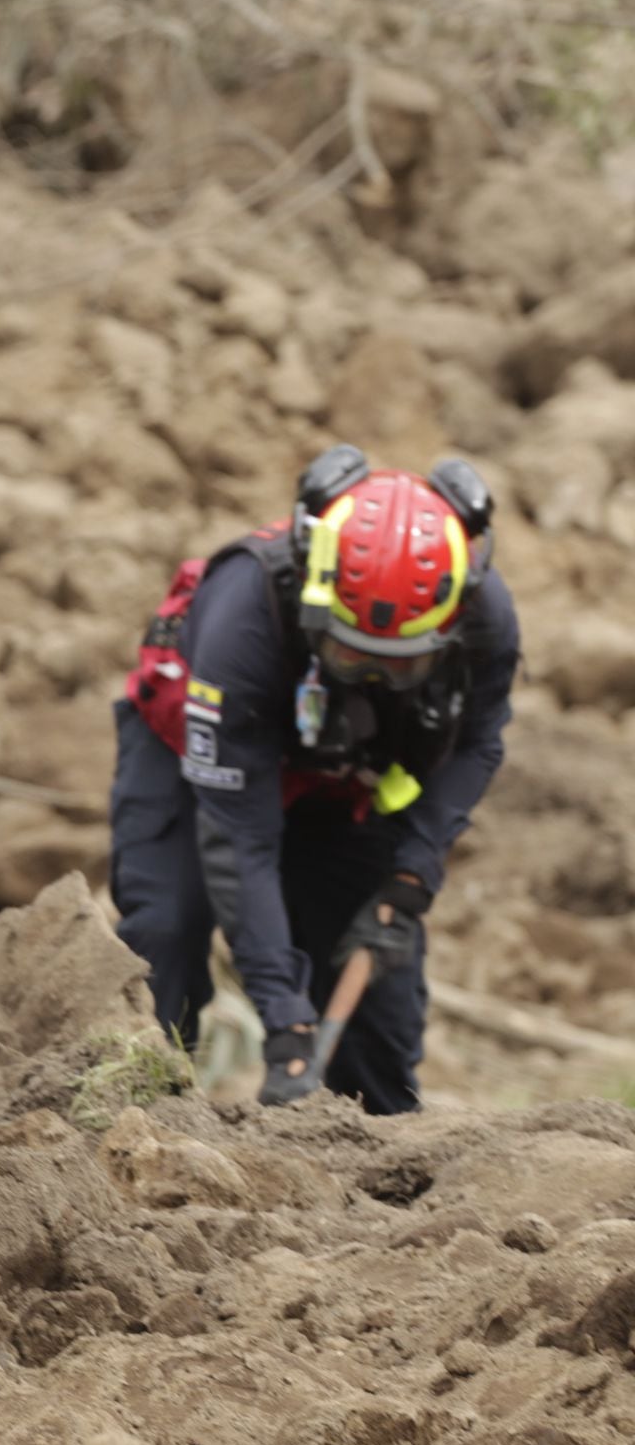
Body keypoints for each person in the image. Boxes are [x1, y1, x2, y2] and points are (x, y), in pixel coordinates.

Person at [109, 445, 520, 1115]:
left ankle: (377, 1177)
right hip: (202, 762)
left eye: (399, 665)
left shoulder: (482, 616)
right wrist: (285, 1023)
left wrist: (411, 879)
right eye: (350, 652)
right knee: (168, 930)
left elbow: (476, 743)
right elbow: (241, 842)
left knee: (378, 1009)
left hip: (339, 776)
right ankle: (136, 1125)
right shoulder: (244, 617)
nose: (373, 676)